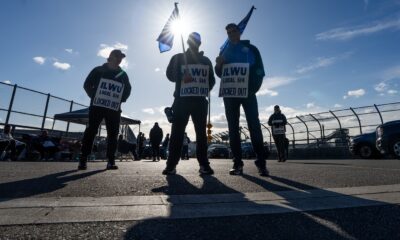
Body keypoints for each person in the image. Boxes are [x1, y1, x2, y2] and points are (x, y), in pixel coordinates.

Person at [215, 23, 268, 176]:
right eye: (228, 32)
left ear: (239, 32)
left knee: (254, 125)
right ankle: (237, 163)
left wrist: (253, 88)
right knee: (233, 128)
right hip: (230, 94)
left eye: (233, 31)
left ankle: (261, 163)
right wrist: (218, 65)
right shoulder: (224, 51)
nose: (231, 34)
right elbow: (220, 73)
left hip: (248, 93)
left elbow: (260, 70)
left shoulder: (252, 49)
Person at [162, 32, 215, 175]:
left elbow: (212, 80)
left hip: (199, 101)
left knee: (201, 134)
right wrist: (178, 72)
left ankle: (204, 164)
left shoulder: (205, 61)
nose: (193, 43)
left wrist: (203, 88)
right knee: (177, 133)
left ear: (200, 43)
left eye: (196, 40)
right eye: (191, 40)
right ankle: (171, 164)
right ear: (187, 41)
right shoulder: (178, 58)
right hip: (181, 100)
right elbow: (169, 76)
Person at [78, 49, 131, 170]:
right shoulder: (98, 70)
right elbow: (87, 84)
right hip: (97, 106)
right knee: (91, 130)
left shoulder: (123, 74)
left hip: (113, 108)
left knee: (113, 133)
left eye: (121, 57)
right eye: (117, 56)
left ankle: (111, 160)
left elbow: (128, 89)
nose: (119, 59)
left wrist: (120, 99)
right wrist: (94, 95)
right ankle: (83, 158)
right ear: (110, 57)